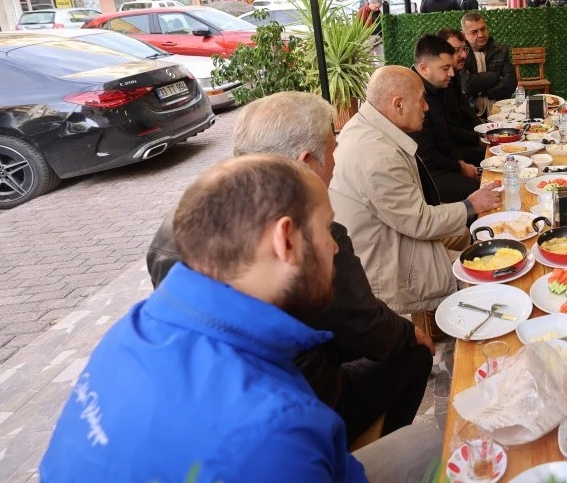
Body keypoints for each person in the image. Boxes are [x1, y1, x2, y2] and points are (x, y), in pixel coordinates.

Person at [42, 155, 442, 482]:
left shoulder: (131, 330)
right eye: (326, 229)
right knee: (440, 444)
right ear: (285, 240)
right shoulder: (275, 427)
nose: (334, 248)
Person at [144, 92, 433, 444]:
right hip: (306, 403)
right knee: (414, 353)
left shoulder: (177, 221)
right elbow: (366, 327)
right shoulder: (312, 235)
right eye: (333, 150)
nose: (336, 165)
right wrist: (408, 333)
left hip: (225, 401)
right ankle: (364, 449)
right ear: (306, 161)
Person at [330, 66, 502, 317]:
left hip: (388, 235)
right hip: (385, 264)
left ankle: (436, 320)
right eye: (421, 100)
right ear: (398, 104)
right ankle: (451, 318)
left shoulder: (365, 124)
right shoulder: (378, 158)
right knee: (490, 273)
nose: (426, 108)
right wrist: (470, 205)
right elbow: (420, 223)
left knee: (464, 233)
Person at [411, 35, 481, 202]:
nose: (451, 73)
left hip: (439, 161)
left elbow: (444, 135)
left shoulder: (436, 88)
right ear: (424, 68)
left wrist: (460, 161)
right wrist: (460, 166)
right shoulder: (412, 94)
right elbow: (425, 156)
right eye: (445, 68)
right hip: (422, 174)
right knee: (477, 189)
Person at [437, 27, 484, 163]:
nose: (463, 55)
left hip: (463, 141)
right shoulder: (439, 83)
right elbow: (447, 130)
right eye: (456, 50)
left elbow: (467, 111)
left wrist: (483, 131)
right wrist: (478, 139)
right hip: (450, 152)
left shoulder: (455, 75)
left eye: (464, 49)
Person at [461, 11, 517, 117]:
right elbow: (466, 85)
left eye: (483, 29)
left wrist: (481, 92)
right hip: (471, 109)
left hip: (500, 107)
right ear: (464, 35)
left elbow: (510, 84)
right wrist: (496, 77)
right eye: (474, 32)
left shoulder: (500, 51)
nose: (481, 35)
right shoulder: (461, 54)